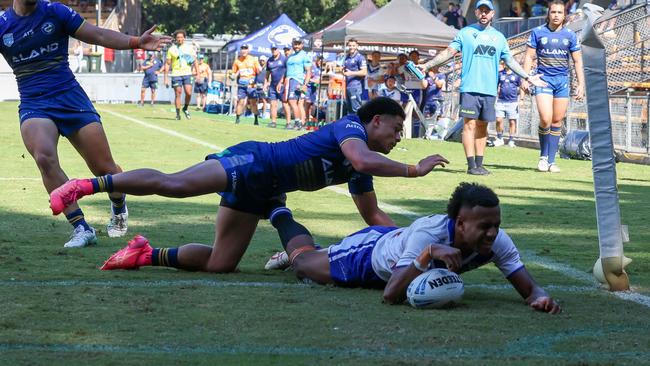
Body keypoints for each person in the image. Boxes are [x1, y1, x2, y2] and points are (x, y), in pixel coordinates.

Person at [50, 98, 450, 273]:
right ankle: (85, 186)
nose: (399, 138)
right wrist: (414, 170)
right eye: (397, 129)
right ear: (375, 120)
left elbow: (372, 215)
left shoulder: (360, 170)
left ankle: (143, 254)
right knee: (177, 185)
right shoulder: (349, 127)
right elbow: (363, 157)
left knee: (220, 265)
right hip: (255, 161)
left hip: (265, 188)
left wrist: (412, 239)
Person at [0, 0, 171, 247]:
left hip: (70, 98)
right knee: (44, 158)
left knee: (104, 168)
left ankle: (118, 205)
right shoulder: (4, 25)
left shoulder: (55, 12)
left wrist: (135, 42)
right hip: (34, 103)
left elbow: (98, 34)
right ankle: (81, 227)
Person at [270, 182, 561, 314]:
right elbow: (390, 295)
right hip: (369, 255)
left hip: (400, 249)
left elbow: (530, 289)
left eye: (496, 224)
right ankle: (279, 211)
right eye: (485, 226)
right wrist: (427, 254)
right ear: (460, 224)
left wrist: (541, 298)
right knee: (302, 265)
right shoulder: (428, 234)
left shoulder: (497, 241)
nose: (493, 232)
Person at [421, 0, 546, 175]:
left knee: (482, 127)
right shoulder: (465, 33)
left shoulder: (499, 37)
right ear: (477, 13)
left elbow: (510, 61)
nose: (484, 14)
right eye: (481, 10)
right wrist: (428, 65)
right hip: (470, 87)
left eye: (487, 11)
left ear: (493, 14)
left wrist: (528, 77)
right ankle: (471, 165)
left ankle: (480, 164)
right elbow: (449, 52)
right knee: (469, 125)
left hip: (489, 89)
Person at [523, 0, 584, 173]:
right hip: (543, 80)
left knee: (557, 121)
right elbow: (528, 57)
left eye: (560, 12)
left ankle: (551, 161)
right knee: (545, 118)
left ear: (564, 15)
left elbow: (578, 60)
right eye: (553, 12)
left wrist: (581, 84)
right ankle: (543, 157)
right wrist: (525, 78)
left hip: (562, 81)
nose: (556, 15)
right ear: (548, 14)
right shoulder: (538, 32)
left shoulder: (570, 35)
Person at [164, 29, 196, 121]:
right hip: (176, 74)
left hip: (187, 74)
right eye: (178, 37)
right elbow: (167, 64)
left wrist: (196, 72)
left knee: (189, 93)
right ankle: (178, 114)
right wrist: (165, 78)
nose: (179, 39)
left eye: (181, 37)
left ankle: (185, 108)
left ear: (184, 38)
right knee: (178, 93)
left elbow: (194, 61)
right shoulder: (171, 49)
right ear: (175, 38)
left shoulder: (189, 48)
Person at [284, 38, 311, 130]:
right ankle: (302, 124)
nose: (296, 46)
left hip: (297, 80)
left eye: (298, 44)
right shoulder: (291, 56)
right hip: (290, 80)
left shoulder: (304, 55)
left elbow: (308, 71)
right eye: (295, 44)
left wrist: (305, 84)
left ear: (302, 44)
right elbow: (286, 70)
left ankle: (297, 122)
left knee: (292, 101)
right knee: (299, 103)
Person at [231, 44, 261, 125]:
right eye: (242, 49)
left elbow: (259, 71)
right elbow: (233, 72)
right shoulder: (237, 61)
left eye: (245, 49)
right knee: (240, 101)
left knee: (253, 103)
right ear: (240, 50)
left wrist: (259, 70)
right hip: (242, 85)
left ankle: (256, 119)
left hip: (251, 86)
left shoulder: (253, 59)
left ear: (248, 50)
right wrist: (232, 76)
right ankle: (237, 119)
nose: (244, 50)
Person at [494, 61, 523, 147]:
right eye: (505, 63)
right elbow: (496, 85)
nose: (507, 64)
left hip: (512, 102)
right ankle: (499, 138)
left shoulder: (516, 75)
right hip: (501, 101)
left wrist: (521, 99)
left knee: (512, 122)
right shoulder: (500, 74)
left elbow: (521, 87)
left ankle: (511, 140)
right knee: (499, 120)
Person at [265, 43, 291, 129]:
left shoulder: (284, 59)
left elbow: (287, 71)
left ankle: (288, 123)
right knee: (273, 104)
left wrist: (282, 82)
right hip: (273, 85)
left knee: (285, 104)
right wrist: (265, 83)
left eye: (275, 49)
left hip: (282, 85)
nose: (273, 50)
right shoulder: (269, 60)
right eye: (272, 49)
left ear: (278, 49)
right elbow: (267, 74)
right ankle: (273, 122)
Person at [343, 38, 367, 114]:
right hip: (348, 86)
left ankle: (358, 125)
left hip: (356, 86)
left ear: (357, 46)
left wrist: (351, 73)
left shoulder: (360, 57)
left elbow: (364, 72)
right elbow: (345, 71)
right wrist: (342, 71)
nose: (351, 47)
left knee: (356, 109)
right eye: (350, 45)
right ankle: (351, 125)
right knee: (349, 109)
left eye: (353, 45)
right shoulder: (347, 57)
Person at [304, 56, 322, 129]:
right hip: (308, 88)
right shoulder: (311, 67)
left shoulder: (319, 69)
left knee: (312, 106)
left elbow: (319, 80)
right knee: (307, 104)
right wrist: (311, 80)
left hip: (314, 89)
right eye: (320, 61)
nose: (321, 63)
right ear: (317, 60)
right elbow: (306, 76)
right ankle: (305, 121)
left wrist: (316, 81)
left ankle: (310, 123)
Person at [254, 55, 269, 119]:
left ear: (265, 61)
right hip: (257, 86)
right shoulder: (258, 68)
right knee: (255, 100)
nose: (261, 62)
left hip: (264, 87)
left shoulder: (267, 69)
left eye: (263, 60)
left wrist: (265, 86)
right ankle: (256, 114)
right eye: (260, 61)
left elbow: (269, 79)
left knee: (264, 100)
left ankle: (264, 114)